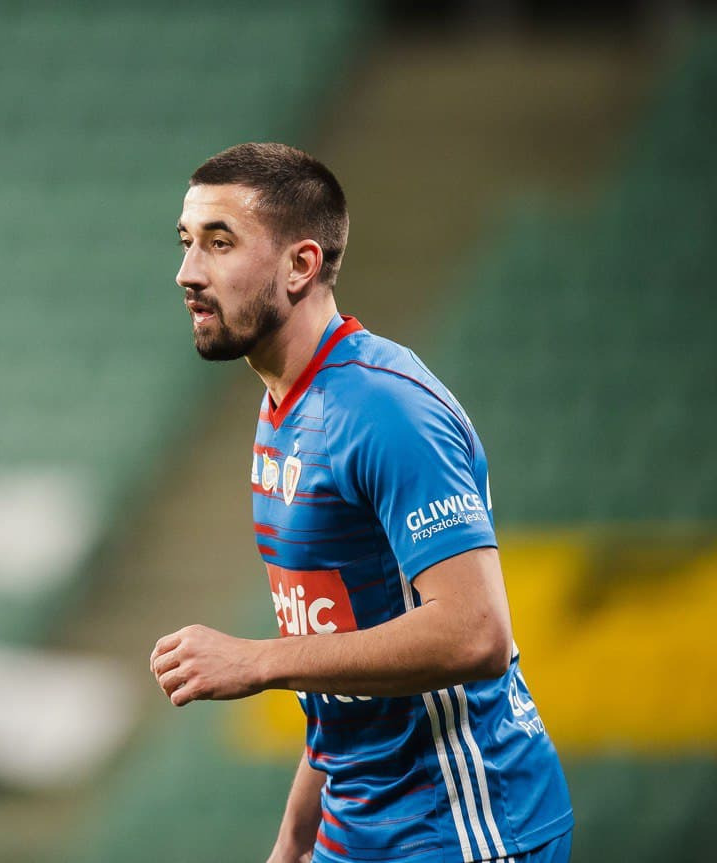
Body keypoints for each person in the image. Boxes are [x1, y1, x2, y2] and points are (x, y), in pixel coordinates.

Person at [150, 143, 573, 863]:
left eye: (220, 243)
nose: (188, 272)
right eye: (187, 242)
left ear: (301, 265)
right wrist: (294, 839)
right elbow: (343, 667)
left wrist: (258, 661)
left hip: (462, 828)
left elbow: (477, 634)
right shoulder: (284, 409)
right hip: (356, 826)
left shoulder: (384, 410)